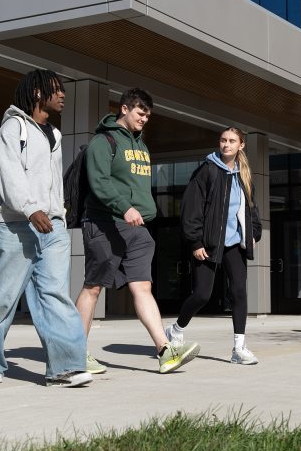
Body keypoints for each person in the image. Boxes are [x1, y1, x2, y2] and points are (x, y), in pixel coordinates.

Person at [0, 69, 92, 387]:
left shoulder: (56, 135)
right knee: (3, 296)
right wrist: (30, 208)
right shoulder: (13, 128)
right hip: (15, 226)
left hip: (52, 227)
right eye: (56, 89)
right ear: (37, 93)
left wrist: (59, 214)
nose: (63, 94)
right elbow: (9, 174)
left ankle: (65, 367)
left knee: (55, 295)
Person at [74, 88, 200, 374]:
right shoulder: (102, 142)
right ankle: (75, 353)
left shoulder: (142, 147)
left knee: (143, 286)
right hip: (104, 223)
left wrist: (147, 211)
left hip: (137, 227)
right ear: (124, 109)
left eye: (148, 115)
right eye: (141, 113)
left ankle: (165, 350)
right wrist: (123, 206)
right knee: (93, 287)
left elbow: (139, 188)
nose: (145, 119)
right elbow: (99, 182)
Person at [168, 127, 264, 364]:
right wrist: (195, 241)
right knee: (202, 294)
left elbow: (251, 207)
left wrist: (254, 232)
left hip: (235, 243)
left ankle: (239, 349)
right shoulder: (207, 171)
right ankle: (176, 330)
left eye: (232, 141)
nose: (226, 144)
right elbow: (191, 208)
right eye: (223, 140)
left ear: (241, 145)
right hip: (208, 242)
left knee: (239, 292)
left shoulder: (244, 174)